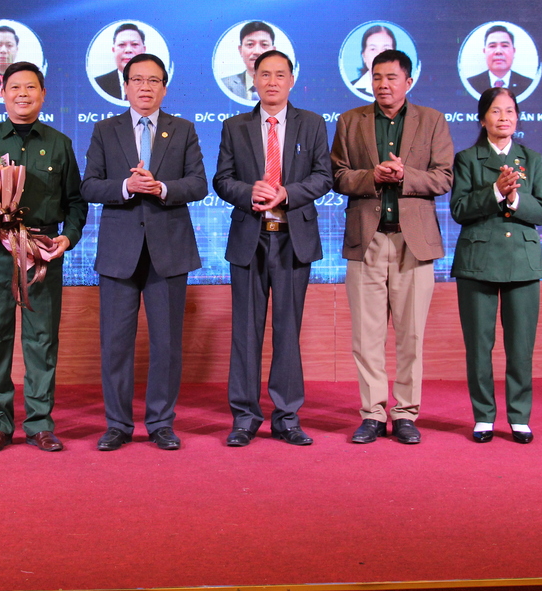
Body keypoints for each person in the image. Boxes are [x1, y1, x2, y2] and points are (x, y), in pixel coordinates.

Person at [81, 53, 206, 451]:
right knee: (116, 344)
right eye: (138, 80)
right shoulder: (105, 130)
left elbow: (198, 184)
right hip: (119, 252)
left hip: (169, 251)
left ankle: (161, 423)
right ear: (126, 87)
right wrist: (126, 187)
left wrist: (161, 188)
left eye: (154, 81)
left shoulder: (183, 130)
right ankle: (118, 424)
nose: (146, 87)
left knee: (166, 344)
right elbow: (89, 186)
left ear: (164, 88)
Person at [0, 61, 88, 453]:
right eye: (15, 87)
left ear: (43, 95)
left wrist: (68, 237)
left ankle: (39, 423)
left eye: (31, 87)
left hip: (41, 251)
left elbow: (76, 202)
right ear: (2, 92)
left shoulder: (59, 144)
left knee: (41, 338)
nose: (22, 94)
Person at [331, 49, 453, 445]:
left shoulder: (432, 120)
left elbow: (444, 177)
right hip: (366, 239)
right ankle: (372, 413)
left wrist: (404, 176)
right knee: (365, 337)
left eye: (391, 78)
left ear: (408, 82)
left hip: (412, 242)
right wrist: (372, 176)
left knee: (410, 335)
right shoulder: (350, 120)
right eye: (377, 77)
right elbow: (338, 176)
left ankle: (405, 413)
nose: (383, 85)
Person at [213, 50, 332, 447]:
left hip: (293, 238)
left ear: (291, 80)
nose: (272, 82)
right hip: (250, 238)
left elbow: (324, 176)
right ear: (254, 79)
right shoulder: (235, 126)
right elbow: (222, 180)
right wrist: (249, 192)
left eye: (280, 75)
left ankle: (287, 417)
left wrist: (287, 193)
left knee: (287, 330)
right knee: (245, 333)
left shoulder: (312, 124)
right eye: (265, 74)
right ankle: (244, 417)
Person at [450, 87, 542, 444]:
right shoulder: (467, 159)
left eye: (510, 111)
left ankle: (519, 417)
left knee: (521, 345)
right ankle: (483, 416)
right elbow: (459, 209)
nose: (504, 117)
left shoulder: (531, 159)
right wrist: (495, 191)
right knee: (479, 344)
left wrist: (514, 198)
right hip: (477, 261)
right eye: (496, 111)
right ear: (483, 119)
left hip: (523, 261)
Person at [466, 24, 533, 96]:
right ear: (484, 51)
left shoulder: (528, 84)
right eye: (492, 46)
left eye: (504, 46)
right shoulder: (471, 84)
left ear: (513, 51)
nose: (498, 51)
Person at [221, 21, 275, 102]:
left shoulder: (286, 86)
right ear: (240, 50)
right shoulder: (225, 85)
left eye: (264, 45)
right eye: (250, 44)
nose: (257, 51)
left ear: (273, 51)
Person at [94, 23, 147, 100]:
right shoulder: (99, 84)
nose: (128, 50)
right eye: (122, 45)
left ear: (144, 50)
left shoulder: (158, 82)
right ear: (113, 50)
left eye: (134, 44)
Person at [350, 24, 396, 96]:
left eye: (386, 49)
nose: (379, 55)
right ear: (364, 56)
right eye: (373, 49)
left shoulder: (406, 87)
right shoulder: (350, 89)